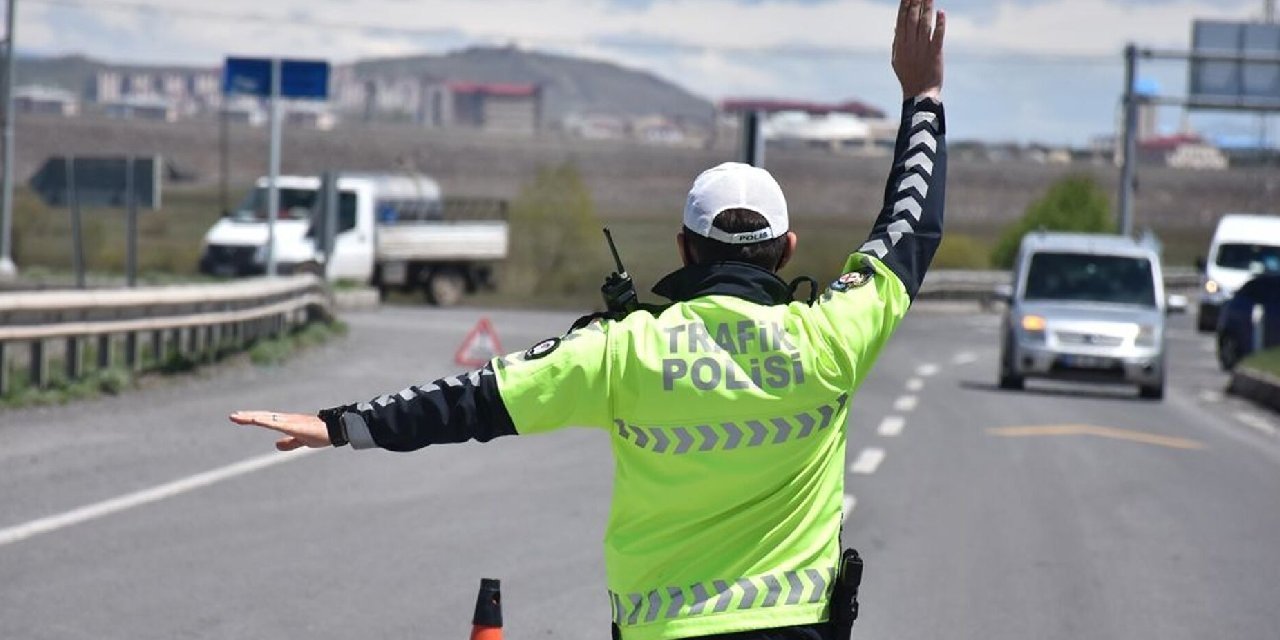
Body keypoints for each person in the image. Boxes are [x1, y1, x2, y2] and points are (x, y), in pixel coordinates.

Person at [230, 1, 946, 638]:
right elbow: (908, 228)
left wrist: (343, 423)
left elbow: (474, 400)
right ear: (787, 251)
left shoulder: (621, 351)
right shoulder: (830, 336)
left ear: (683, 248)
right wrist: (923, 97)